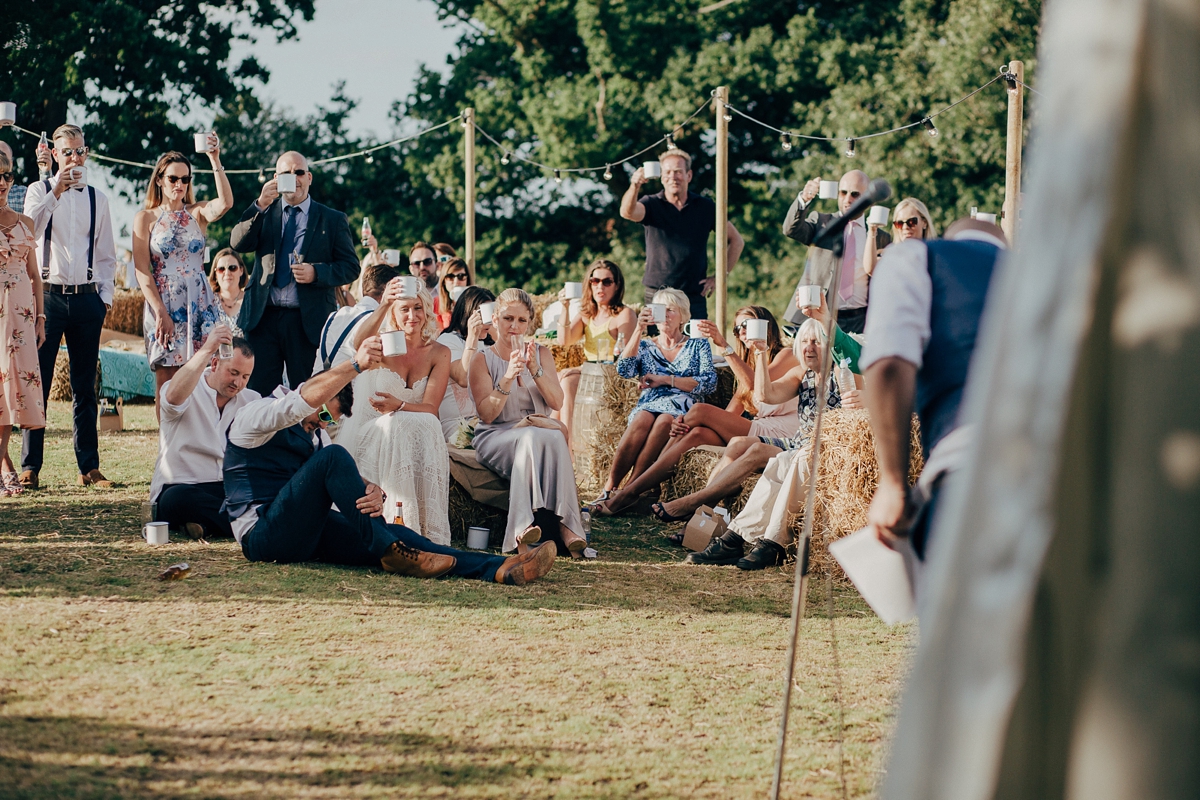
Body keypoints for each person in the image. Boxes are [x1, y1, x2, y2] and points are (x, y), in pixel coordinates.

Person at [225, 333, 557, 584]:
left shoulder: (316, 437)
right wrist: (355, 366)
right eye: (323, 412)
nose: (322, 422)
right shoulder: (255, 416)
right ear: (314, 391)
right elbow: (294, 407)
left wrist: (372, 490)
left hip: (302, 535)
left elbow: (334, 484)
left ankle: (497, 569)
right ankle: (390, 552)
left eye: (330, 420)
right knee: (336, 458)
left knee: (402, 534)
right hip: (263, 537)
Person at [661, 319, 863, 568]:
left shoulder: (845, 373)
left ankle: (711, 519)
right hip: (798, 444)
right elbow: (765, 396)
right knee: (746, 446)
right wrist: (760, 354)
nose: (809, 348)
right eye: (805, 341)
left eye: (817, 342)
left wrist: (864, 399)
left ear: (831, 345)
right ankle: (715, 525)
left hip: (822, 452)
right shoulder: (803, 372)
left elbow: (878, 401)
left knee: (773, 456)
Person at [863, 218, 1006, 565]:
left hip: (972, 470)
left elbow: (890, 363)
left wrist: (894, 484)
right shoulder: (1059, 274)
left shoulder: (917, 257)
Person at [592, 306, 799, 515]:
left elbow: (755, 385)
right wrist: (688, 423)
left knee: (699, 410)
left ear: (766, 326)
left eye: (747, 325)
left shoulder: (786, 354)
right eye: (737, 329)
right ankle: (645, 491)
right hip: (760, 427)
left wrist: (723, 345)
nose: (742, 332)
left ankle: (630, 492)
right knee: (697, 433)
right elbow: (731, 412)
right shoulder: (748, 364)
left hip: (782, 431)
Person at [20, 124, 118, 490]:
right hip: (48, 297)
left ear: (86, 153)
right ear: (55, 155)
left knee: (84, 387)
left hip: (87, 299)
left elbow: (108, 255)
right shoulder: (38, 190)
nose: (75, 158)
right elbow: (30, 230)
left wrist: (104, 300)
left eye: (80, 151)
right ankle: (31, 466)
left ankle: (88, 467)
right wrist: (56, 188)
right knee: (39, 383)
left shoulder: (99, 199)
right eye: (67, 152)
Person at [229, 151, 360, 396]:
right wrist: (260, 205)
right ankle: (266, 437)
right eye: (286, 174)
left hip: (306, 320)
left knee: (306, 393)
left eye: (299, 172)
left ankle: (304, 436)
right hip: (263, 317)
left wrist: (317, 273)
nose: (294, 178)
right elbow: (238, 243)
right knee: (258, 393)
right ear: (275, 178)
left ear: (309, 177)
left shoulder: (332, 219)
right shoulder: (264, 211)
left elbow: (351, 266)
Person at [469, 288, 588, 555]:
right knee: (536, 436)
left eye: (522, 320)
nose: (514, 326)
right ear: (496, 319)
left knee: (553, 434)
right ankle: (522, 527)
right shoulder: (482, 359)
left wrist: (535, 369)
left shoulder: (542, 353)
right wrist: (508, 376)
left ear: (530, 322)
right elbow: (487, 414)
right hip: (497, 434)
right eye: (508, 318)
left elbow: (556, 403)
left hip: (538, 431)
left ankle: (568, 526)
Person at [339, 279, 452, 544]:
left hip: (409, 431)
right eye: (404, 309)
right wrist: (384, 304)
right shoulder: (382, 344)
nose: (412, 316)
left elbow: (431, 408)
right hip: (374, 432)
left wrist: (398, 406)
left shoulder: (439, 352)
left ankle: (428, 529)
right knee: (398, 423)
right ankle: (399, 525)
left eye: (418, 308)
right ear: (394, 313)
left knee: (425, 423)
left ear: (426, 310)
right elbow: (358, 342)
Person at [590, 288, 717, 507]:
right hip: (650, 404)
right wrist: (638, 330)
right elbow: (624, 370)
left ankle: (630, 489)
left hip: (683, 403)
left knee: (664, 421)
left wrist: (666, 380)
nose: (665, 315)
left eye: (671, 310)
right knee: (641, 419)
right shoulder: (647, 345)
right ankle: (609, 488)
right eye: (660, 310)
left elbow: (709, 383)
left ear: (683, 315)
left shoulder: (698, 344)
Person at [132, 143, 232, 410]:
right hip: (164, 302)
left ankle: (202, 439)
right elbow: (142, 271)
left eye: (185, 179)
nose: (180, 184)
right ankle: (168, 446)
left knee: (205, 372)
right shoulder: (145, 218)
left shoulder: (196, 213)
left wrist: (214, 159)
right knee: (167, 377)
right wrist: (160, 312)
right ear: (160, 180)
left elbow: (225, 203)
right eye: (173, 178)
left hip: (200, 302)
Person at [150, 324, 258, 539]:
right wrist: (207, 349)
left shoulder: (252, 400)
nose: (238, 383)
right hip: (181, 485)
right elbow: (171, 398)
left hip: (225, 488)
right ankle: (251, 522)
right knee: (177, 500)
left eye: (245, 377)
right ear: (215, 363)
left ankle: (206, 525)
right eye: (233, 373)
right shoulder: (187, 387)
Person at [620, 148, 744, 320]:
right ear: (662, 177)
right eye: (668, 172)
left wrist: (719, 277)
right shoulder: (651, 204)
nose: (673, 177)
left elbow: (737, 241)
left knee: (697, 344)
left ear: (689, 175)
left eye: (678, 172)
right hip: (657, 294)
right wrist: (635, 185)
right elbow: (627, 212)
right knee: (656, 345)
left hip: (693, 295)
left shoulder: (706, 207)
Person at [782, 170, 891, 334]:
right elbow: (791, 229)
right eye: (843, 193)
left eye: (855, 194)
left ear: (870, 200)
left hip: (862, 319)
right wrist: (804, 199)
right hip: (820, 315)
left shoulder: (880, 237)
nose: (848, 199)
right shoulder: (822, 222)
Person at [0, 149, 46, 497]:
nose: (2, 183)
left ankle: (4, 465)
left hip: (22, 316)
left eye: (7, 176)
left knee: (14, 390)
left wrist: (41, 317)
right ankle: (4, 468)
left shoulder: (25, 223)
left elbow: (35, 275)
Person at [554, 259, 638, 445]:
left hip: (611, 378)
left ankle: (567, 446)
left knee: (567, 381)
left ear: (617, 286)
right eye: (595, 281)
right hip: (588, 376)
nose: (600, 286)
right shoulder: (587, 314)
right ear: (589, 285)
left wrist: (580, 368)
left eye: (607, 282)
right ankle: (554, 441)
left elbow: (623, 360)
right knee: (561, 378)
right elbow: (563, 340)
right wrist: (565, 308)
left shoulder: (624, 315)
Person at [313, 263, 399, 375]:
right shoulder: (382, 322)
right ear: (388, 292)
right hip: (346, 389)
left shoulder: (335, 315)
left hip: (317, 383)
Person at [437, 285, 494, 441]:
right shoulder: (447, 341)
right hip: (459, 424)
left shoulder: (488, 342)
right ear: (469, 314)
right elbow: (463, 378)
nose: (488, 321)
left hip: (488, 419)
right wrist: (473, 336)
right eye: (484, 314)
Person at [864, 197, 935, 277]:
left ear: (924, 223)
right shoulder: (893, 256)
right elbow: (871, 269)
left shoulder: (935, 255)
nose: (905, 227)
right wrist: (872, 230)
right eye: (899, 223)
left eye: (911, 222)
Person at [208, 247, 247, 332]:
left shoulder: (251, 302)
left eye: (232, 268)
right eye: (221, 269)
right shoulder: (207, 303)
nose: (227, 273)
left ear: (241, 270)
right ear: (215, 274)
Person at [434, 256, 470, 330]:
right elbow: (438, 335)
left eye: (461, 276)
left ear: (467, 279)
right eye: (450, 277)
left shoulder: (476, 301)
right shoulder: (437, 303)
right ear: (444, 281)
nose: (456, 282)